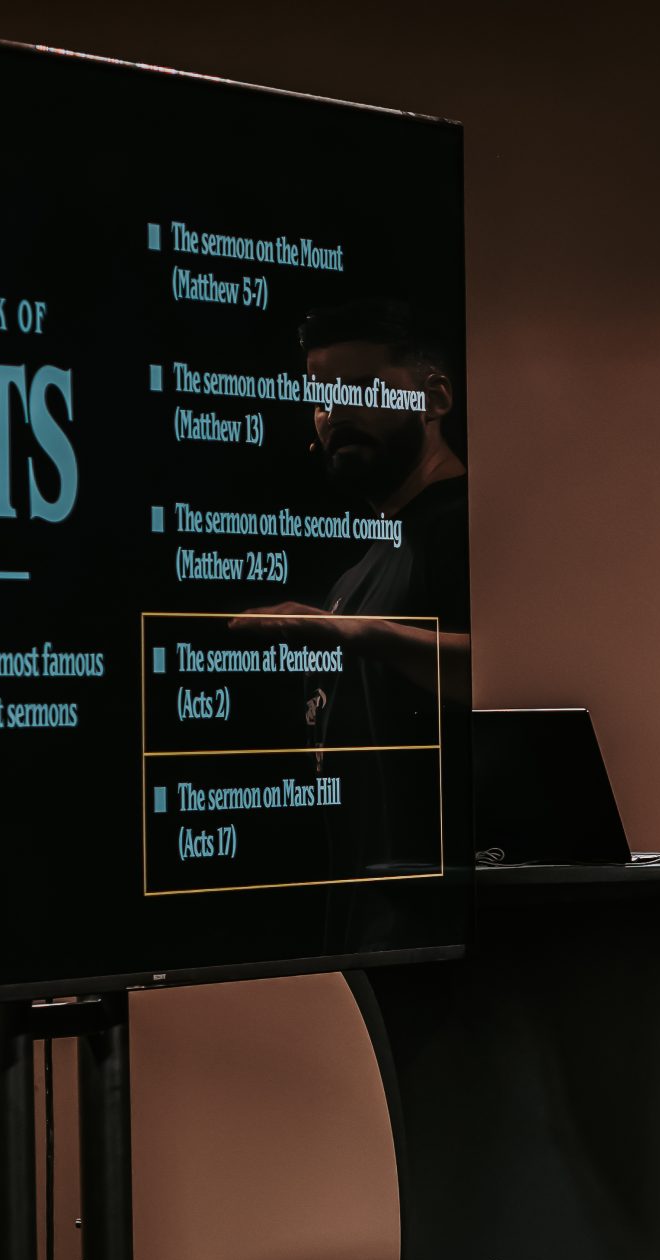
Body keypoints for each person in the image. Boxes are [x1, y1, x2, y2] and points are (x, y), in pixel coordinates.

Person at [233, 298, 469, 882]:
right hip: (374, 917)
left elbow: (519, 680)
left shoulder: (470, 526)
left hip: (455, 917)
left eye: (363, 388)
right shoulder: (356, 575)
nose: (336, 412)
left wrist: (350, 632)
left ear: (434, 398)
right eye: (321, 398)